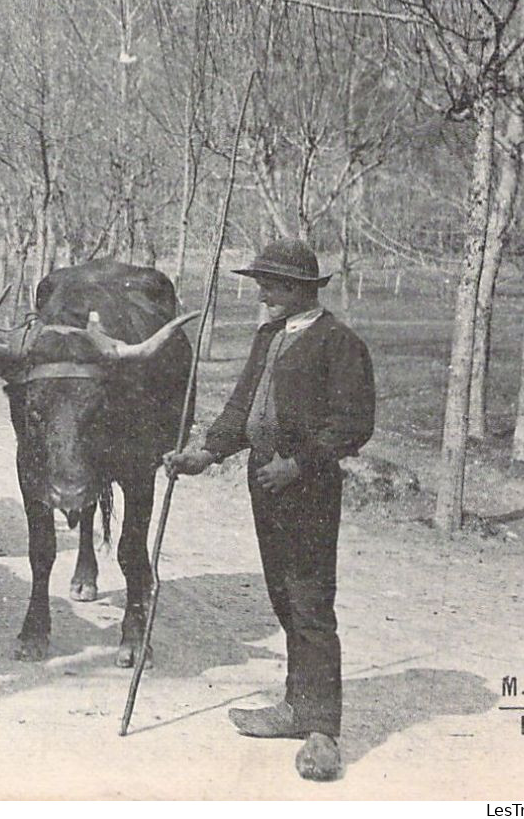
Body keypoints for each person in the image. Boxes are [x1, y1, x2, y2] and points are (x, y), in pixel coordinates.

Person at [164, 238, 375, 782]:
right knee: (283, 596)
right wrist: (205, 453)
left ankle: (323, 731)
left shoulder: (338, 343)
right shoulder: (268, 337)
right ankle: (296, 706)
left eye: (270, 285)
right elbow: (242, 408)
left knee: (309, 599)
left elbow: (354, 423)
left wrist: (300, 464)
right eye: (262, 284)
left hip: (309, 488)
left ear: (300, 290)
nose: (261, 295)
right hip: (266, 484)